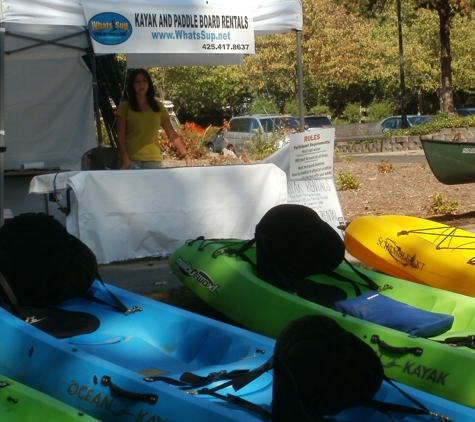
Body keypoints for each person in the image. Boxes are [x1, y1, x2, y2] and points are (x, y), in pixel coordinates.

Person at [116, 69, 192, 169]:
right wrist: (125, 158)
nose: (141, 85)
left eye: (144, 81)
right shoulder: (125, 106)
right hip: (131, 159)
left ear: (149, 84)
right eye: (137, 81)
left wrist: (185, 155)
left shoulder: (158, 107)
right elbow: (120, 136)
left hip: (153, 160)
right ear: (132, 85)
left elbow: (172, 133)